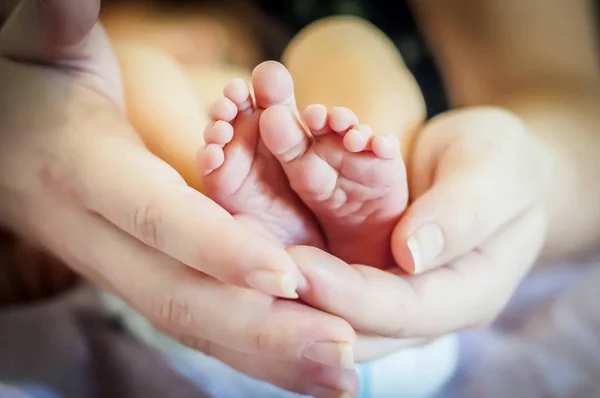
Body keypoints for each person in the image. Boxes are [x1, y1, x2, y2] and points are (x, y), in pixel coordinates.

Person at [1, 0, 599, 397]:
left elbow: (575, 109)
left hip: (404, 305)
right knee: (344, 42)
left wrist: (536, 167)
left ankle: (233, 193)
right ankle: (350, 188)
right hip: (390, 340)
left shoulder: (192, 71)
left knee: (324, 44)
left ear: (203, 40)